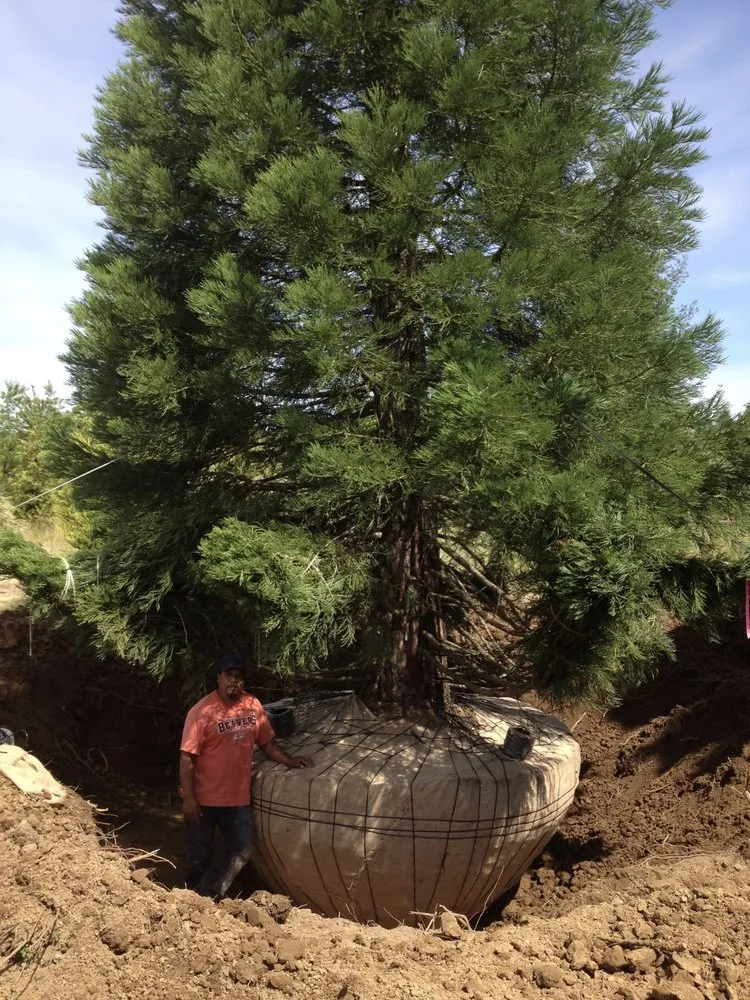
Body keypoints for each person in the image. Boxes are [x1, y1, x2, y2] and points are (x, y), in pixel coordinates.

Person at [179, 653, 312, 899]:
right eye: (229, 675)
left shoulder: (252, 706)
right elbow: (187, 758)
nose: (234, 681)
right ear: (218, 678)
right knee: (199, 855)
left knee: (241, 848)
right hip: (202, 800)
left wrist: (290, 761)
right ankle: (187, 901)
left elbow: (268, 744)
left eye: (239, 677)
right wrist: (189, 797)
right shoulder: (202, 712)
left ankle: (207, 896)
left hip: (237, 801)